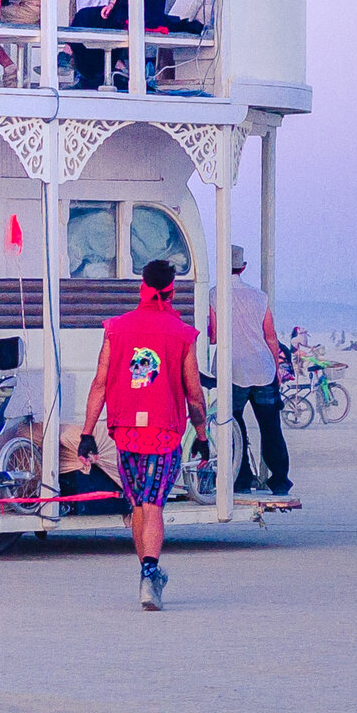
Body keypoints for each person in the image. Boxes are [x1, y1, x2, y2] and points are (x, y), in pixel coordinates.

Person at [78, 257, 208, 610]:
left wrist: (87, 434)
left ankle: (148, 573)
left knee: (138, 504)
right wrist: (202, 434)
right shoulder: (183, 335)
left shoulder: (116, 329)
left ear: (142, 288)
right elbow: (194, 394)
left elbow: (100, 383)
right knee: (153, 506)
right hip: (163, 433)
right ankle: (150, 575)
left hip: (125, 433)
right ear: (171, 292)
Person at [206, 246, 291, 497]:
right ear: (243, 267)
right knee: (271, 427)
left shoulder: (214, 295)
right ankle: (280, 482)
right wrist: (275, 370)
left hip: (232, 371)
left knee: (233, 425)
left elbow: (213, 335)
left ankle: (241, 479)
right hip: (263, 368)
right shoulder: (259, 296)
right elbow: (271, 336)